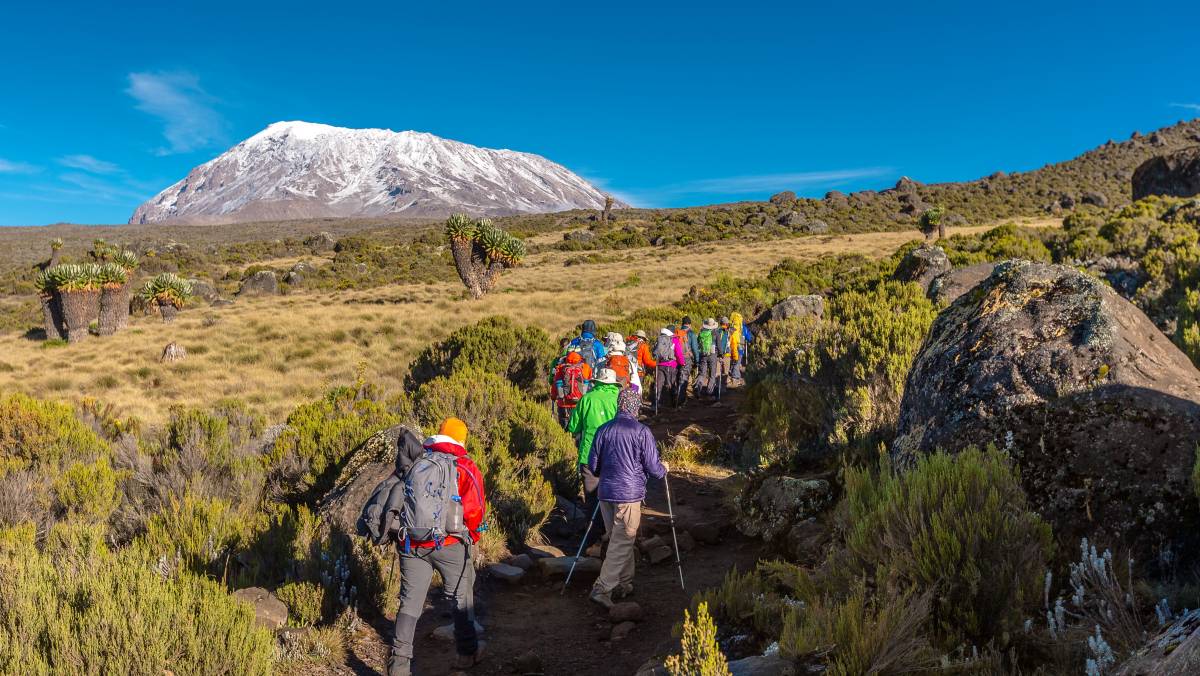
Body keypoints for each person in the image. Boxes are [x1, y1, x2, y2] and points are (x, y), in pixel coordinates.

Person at [388, 418, 487, 676]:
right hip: (450, 543)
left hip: (411, 542)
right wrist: (472, 536)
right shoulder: (465, 466)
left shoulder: (418, 461)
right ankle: (466, 654)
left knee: (409, 605)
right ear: (462, 440)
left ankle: (398, 666)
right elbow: (475, 509)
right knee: (460, 598)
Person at [587, 388, 668, 608]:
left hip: (605, 493)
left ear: (619, 404)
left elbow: (593, 466)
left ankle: (624, 583)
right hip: (628, 494)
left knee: (618, 538)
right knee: (623, 539)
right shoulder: (641, 431)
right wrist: (664, 469)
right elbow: (653, 468)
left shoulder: (603, 430)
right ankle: (602, 588)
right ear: (636, 407)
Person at [567, 368, 621, 548]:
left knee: (592, 499)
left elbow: (574, 427)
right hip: (614, 456)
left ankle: (592, 539)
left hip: (589, 456)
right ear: (613, 384)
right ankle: (612, 537)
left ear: (597, 382)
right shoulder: (618, 399)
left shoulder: (587, 399)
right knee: (613, 498)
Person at [552, 348, 591, 428]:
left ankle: (564, 440)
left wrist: (553, 396)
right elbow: (589, 385)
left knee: (563, 430)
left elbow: (555, 385)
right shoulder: (586, 368)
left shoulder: (560, 368)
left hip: (563, 403)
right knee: (578, 428)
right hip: (580, 403)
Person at [650, 327, 685, 410]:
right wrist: (682, 363)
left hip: (659, 364)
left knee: (658, 385)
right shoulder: (674, 340)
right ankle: (674, 405)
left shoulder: (659, 339)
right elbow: (678, 353)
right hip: (671, 365)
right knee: (671, 385)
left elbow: (654, 351)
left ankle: (655, 404)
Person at [696, 318, 722, 399]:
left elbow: (698, 343)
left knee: (702, 373)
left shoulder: (702, 332)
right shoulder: (716, 333)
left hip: (703, 355)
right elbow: (719, 345)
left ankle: (698, 388)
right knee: (712, 374)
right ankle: (709, 392)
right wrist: (721, 354)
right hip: (713, 355)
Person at [675, 317, 699, 406]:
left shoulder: (677, 332)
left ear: (682, 323)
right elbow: (695, 349)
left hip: (676, 358)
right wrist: (697, 361)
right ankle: (680, 401)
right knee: (684, 378)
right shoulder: (691, 334)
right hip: (686, 358)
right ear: (689, 324)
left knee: (677, 378)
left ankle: (675, 398)